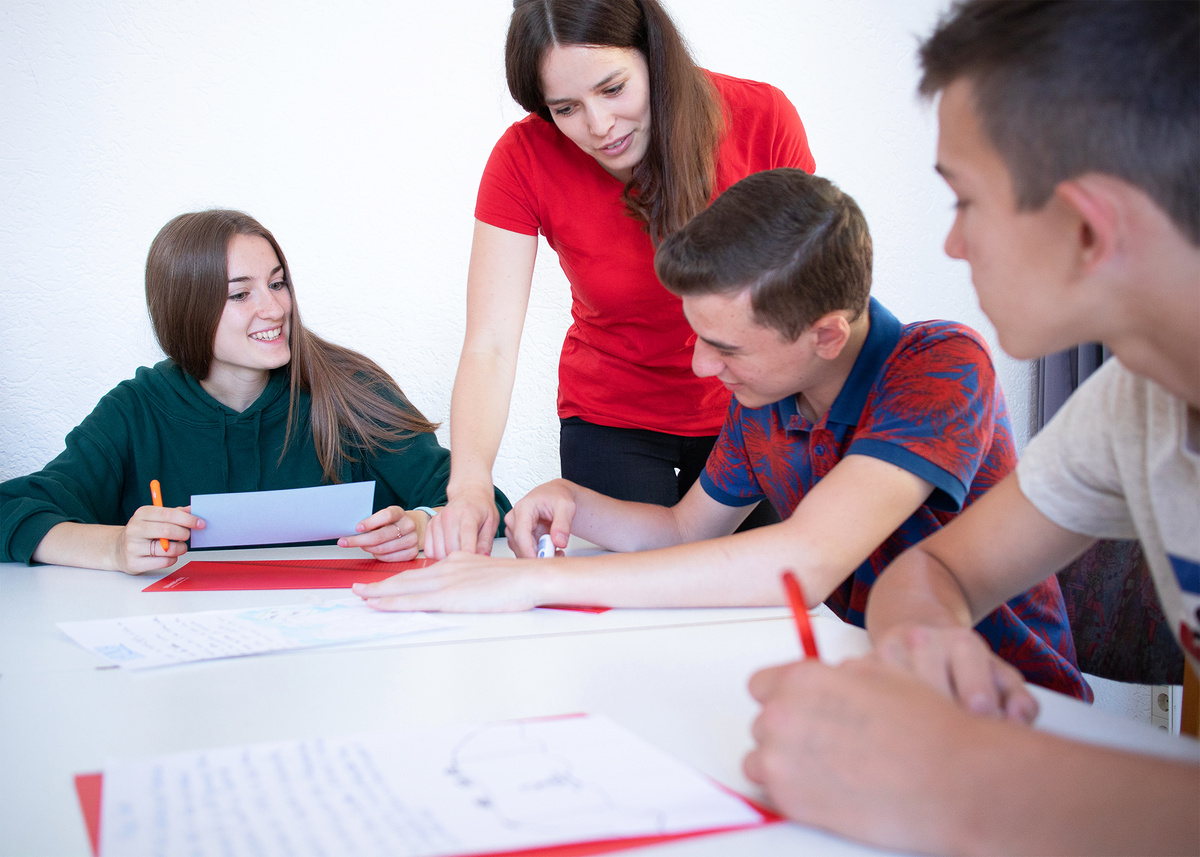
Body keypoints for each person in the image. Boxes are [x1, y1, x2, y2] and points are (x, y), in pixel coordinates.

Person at [355, 168, 1089, 700]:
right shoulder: (770, 393)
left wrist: (537, 580)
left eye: (727, 348)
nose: (704, 366)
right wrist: (571, 494)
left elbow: (805, 560)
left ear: (826, 334)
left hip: (1014, 704)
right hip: (882, 685)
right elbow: (685, 531)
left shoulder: (939, 366)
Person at [744, 2, 1199, 854]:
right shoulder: (1131, 403)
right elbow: (940, 568)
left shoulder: (942, 360)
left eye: (963, 202)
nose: (951, 246)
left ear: (1086, 227)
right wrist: (926, 634)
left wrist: (965, 775)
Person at [425, 0, 815, 558]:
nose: (599, 126)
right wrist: (469, 487)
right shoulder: (524, 156)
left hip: (751, 408)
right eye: (566, 108)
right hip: (612, 419)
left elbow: (806, 301)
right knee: (629, 607)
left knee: (749, 603)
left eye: (613, 89)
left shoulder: (762, 118)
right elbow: (490, 343)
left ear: (653, 55)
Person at [0, 210, 510, 573]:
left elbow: (490, 506)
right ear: (186, 310)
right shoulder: (136, 410)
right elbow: (13, 510)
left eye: (278, 283)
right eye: (241, 294)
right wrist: (114, 549)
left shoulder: (347, 391)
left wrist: (422, 527)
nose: (274, 308)